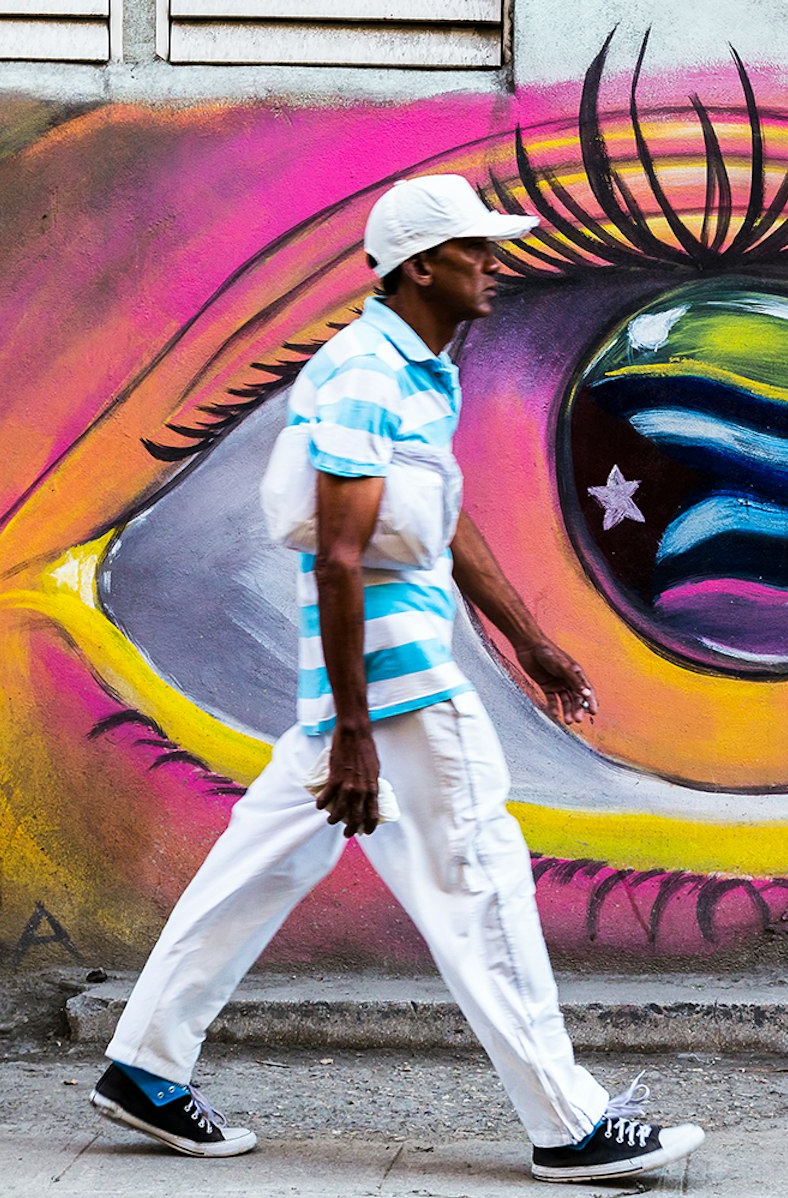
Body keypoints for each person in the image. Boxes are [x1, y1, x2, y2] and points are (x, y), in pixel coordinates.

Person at [88, 174, 705, 1185]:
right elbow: (337, 557)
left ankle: (145, 1069)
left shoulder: (415, 371)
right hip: (395, 686)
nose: (493, 266)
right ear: (422, 266)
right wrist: (356, 730)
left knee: (261, 864)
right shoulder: (368, 372)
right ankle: (570, 1123)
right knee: (480, 880)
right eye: (476, 249)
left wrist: (529, 639)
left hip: (374, 679)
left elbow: (440, 522)